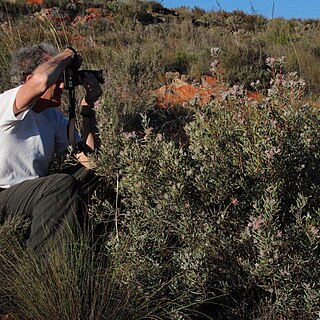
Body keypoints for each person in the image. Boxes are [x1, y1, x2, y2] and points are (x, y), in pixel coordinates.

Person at [0, 43, 102, 251]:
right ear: (28, 80)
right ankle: (44, 267)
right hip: (4, 196)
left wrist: (87, 108)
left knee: (97, 174)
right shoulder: (7, 102)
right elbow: (41, 81)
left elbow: (90, 161)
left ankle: (93, 240)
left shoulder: (52, 116)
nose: (63, 86)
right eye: (59, 78)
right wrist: (68, 53)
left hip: (35, 193)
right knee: (61, 184)